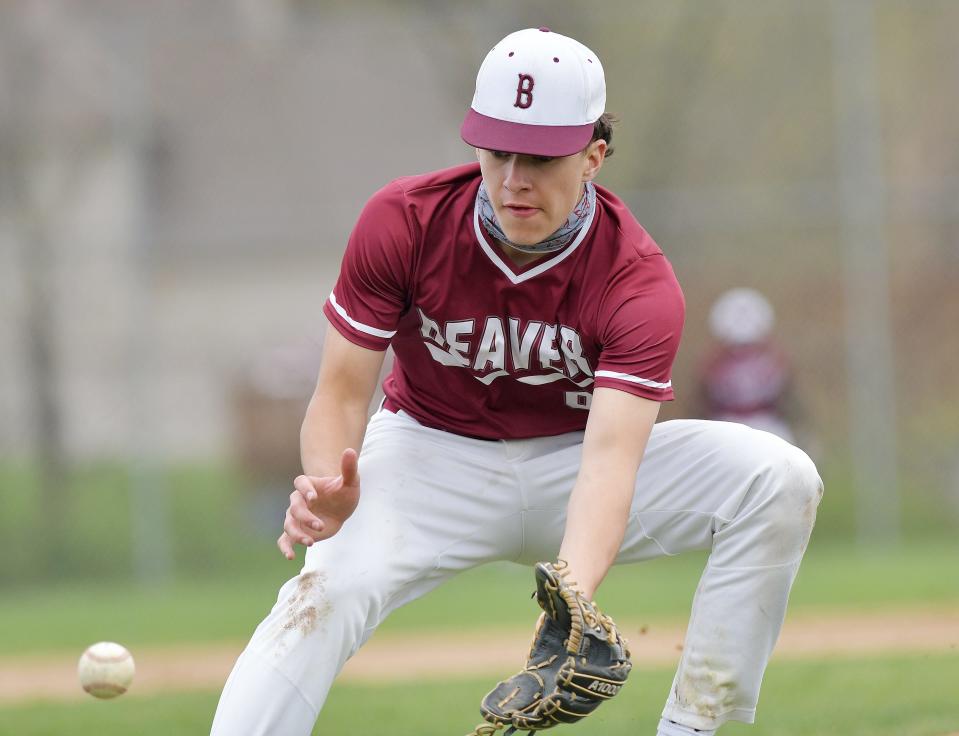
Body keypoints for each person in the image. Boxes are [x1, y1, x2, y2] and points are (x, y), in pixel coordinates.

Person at [210, 28, 823, 736]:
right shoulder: (403, 223)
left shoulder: (636, 280)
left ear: (593, 155)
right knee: (318, 595)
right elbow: (343, 392)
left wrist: (572, 599)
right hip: (427, 457)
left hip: (576, 465)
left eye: (539, 156)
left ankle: (690, 728)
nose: (512, 177)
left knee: (779, 476)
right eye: (497, 150)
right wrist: (327, 483)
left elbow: (609, 460)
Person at [699, 288, 798, 445]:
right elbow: (705, 396)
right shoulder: (716, 361)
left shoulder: (773, 357)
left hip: (766, 421)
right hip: (727, 421)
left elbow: (785, 396)